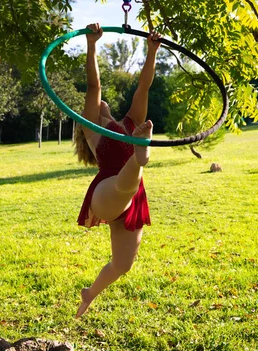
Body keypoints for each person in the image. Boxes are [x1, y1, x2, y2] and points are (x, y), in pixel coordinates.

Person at [74, 23, 161, 318]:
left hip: (133, 200)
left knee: (122, 265)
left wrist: (152, 51)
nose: (98, 103)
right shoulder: (93, 129)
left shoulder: (129, 122)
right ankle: (140, 155)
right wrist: (92, 44)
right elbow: (94, 87)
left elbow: (143, 87)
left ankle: (90, 293)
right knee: (126, 185)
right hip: (107, 191)